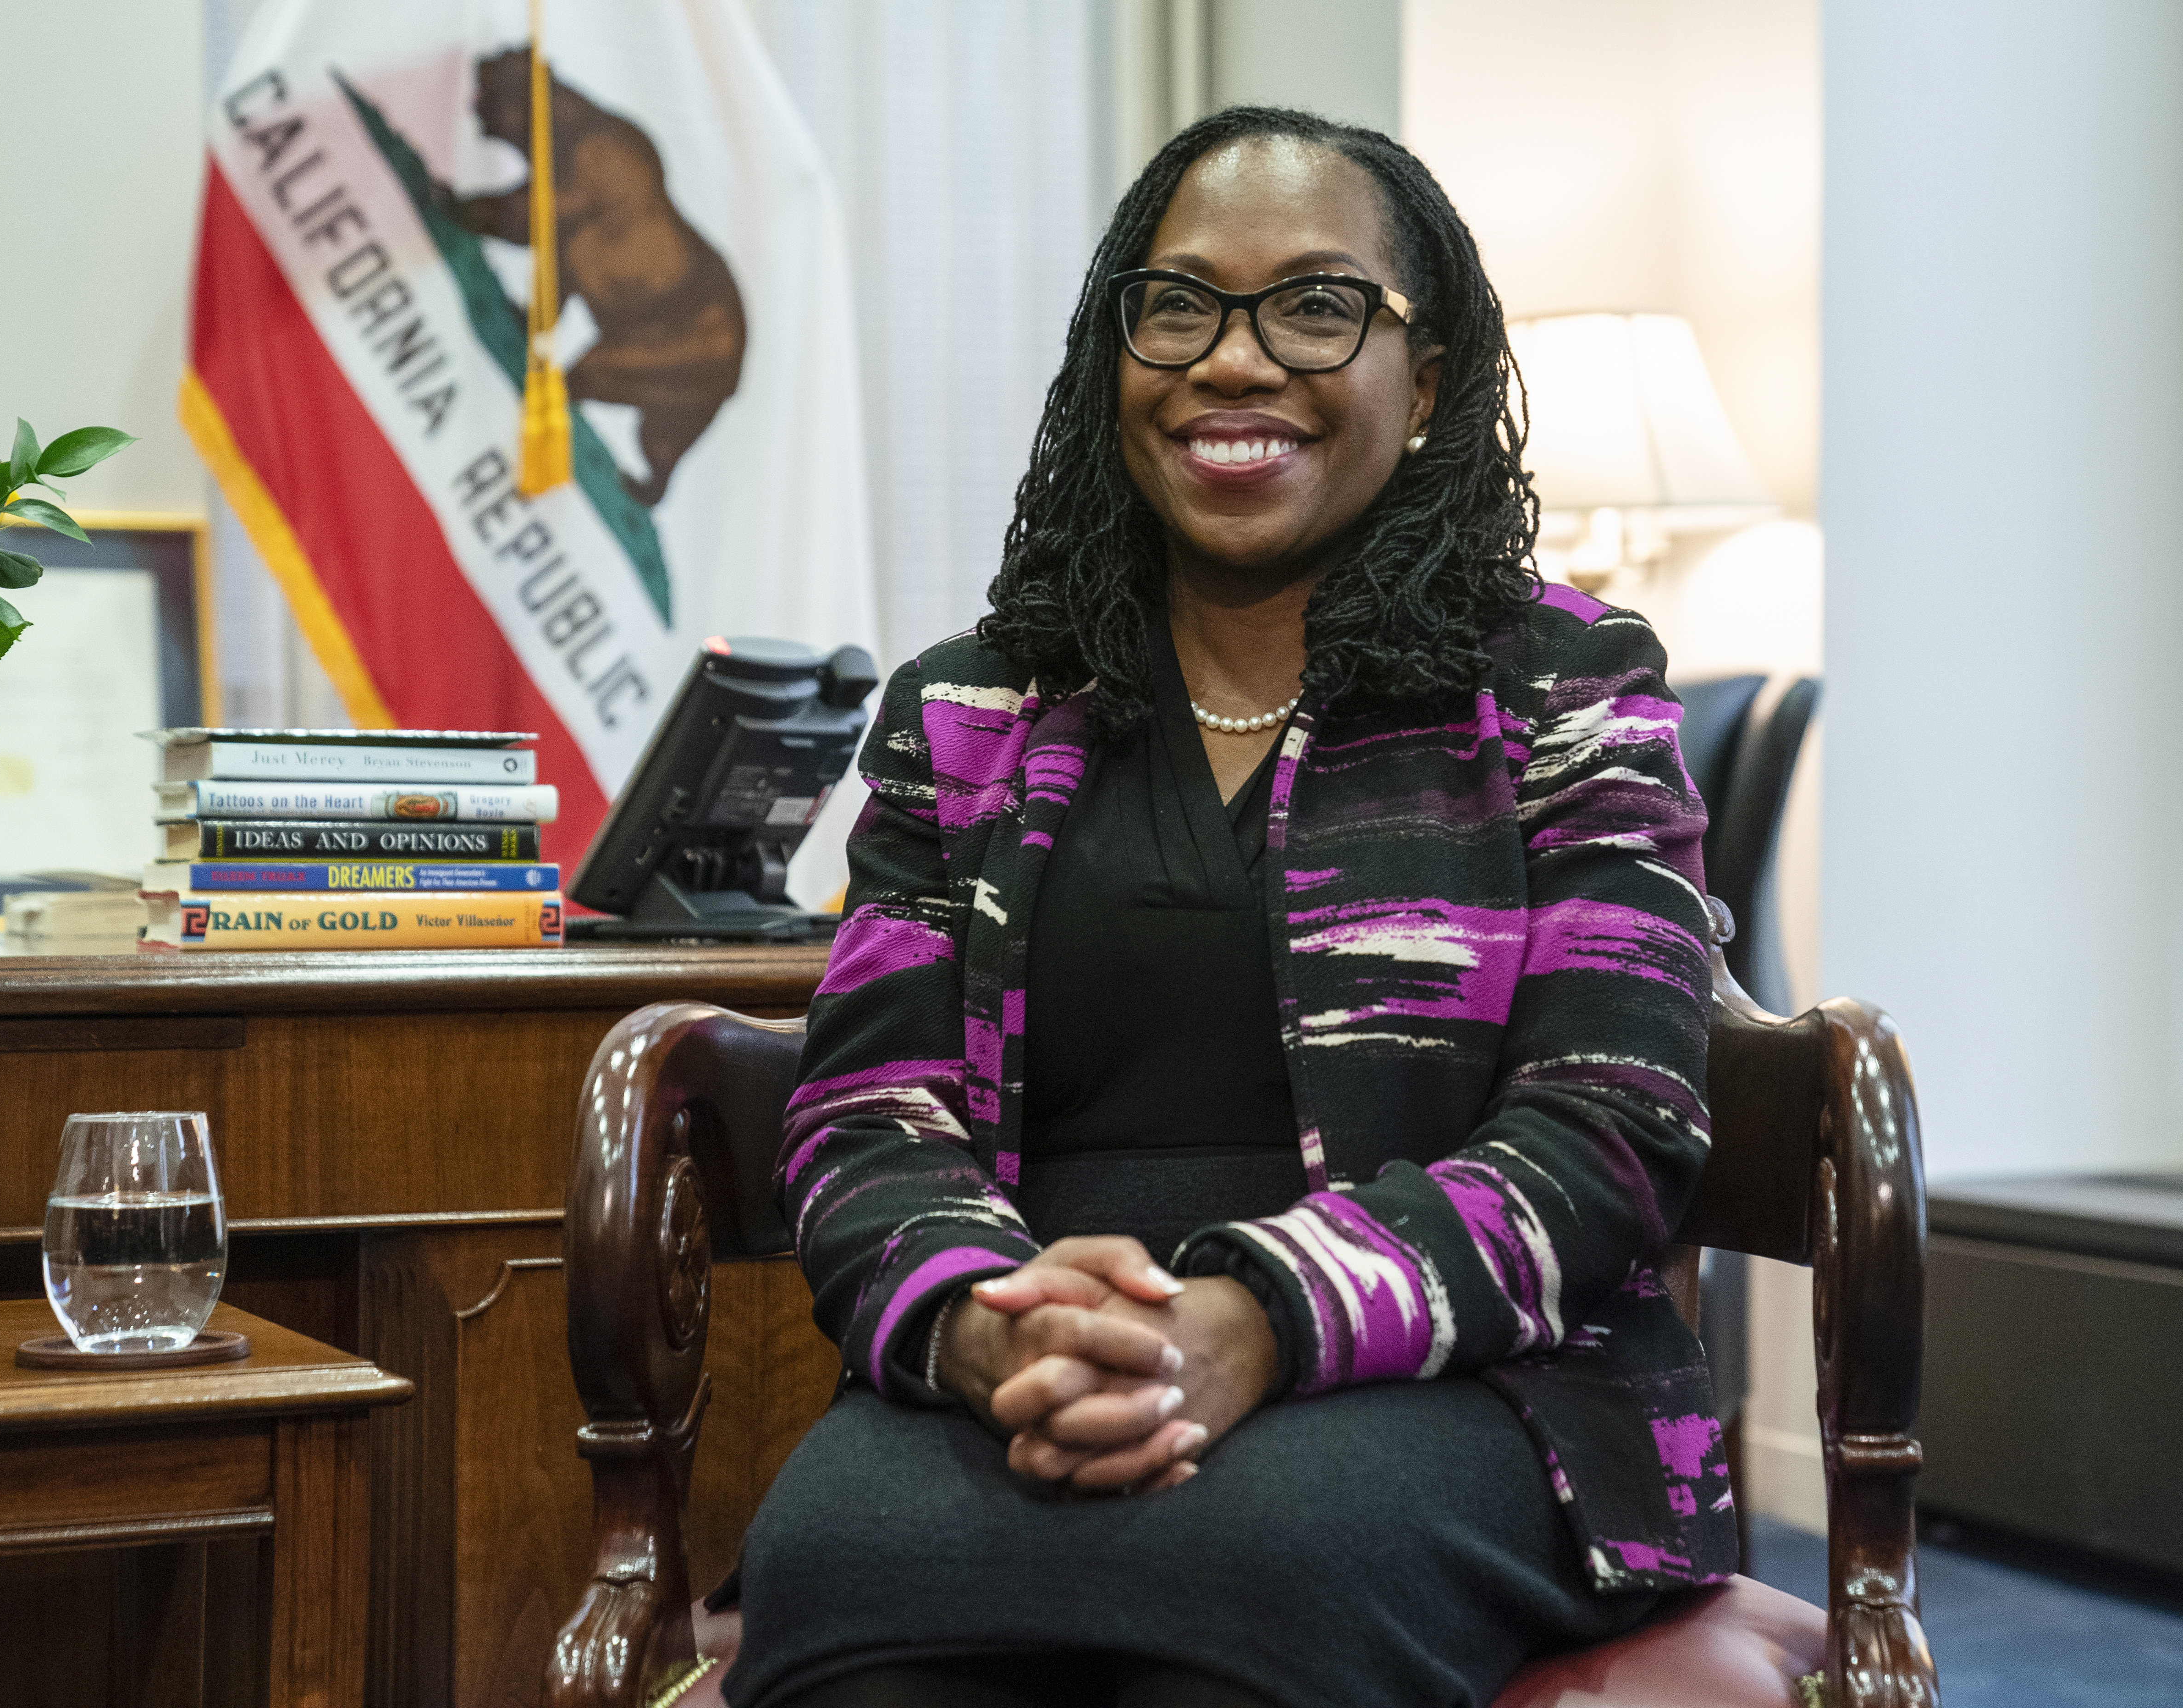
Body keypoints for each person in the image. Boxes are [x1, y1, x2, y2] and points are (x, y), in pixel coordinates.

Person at [728, 105, 1732, 1708]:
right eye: (1179, 303)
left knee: (1251, 1607)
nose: (1234, 361)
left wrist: (1256, 1316)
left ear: (1436, 378)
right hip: (1033, 1359)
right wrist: (1000, 1330)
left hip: (1465, 1377)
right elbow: (865, 1114)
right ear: (1110, 359)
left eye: (1319, 305)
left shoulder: (1564, 692)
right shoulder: (972, 710)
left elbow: (1612, 1127)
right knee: (845, 1587)